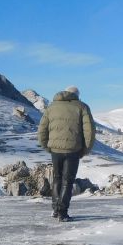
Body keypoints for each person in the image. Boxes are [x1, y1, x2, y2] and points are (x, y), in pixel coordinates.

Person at [37, 85, 95, 221]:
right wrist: (84, 150)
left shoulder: (51, 106)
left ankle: (55, 209)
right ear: (77, 95)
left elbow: (42, 130)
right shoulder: (82, 107)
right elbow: (89, 132)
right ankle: (62, 212)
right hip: (73, 150)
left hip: (55, 150)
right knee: (67, 181)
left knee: (57, 179)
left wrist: (48, 147)